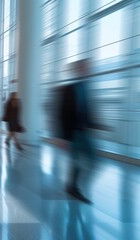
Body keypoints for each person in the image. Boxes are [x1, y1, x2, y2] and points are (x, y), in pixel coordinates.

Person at [58, 59, 102, 204]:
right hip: (73, 133)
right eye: (85, 68)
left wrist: (96, 125)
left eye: (89, 68)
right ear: (78, 70)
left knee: (94, 160)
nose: (88, 70)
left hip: (84, 131)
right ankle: (73, 187)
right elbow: (62, 113)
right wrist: (63, 137)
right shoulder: (69, 88)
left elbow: (86, 110)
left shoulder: (87, 87)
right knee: (76, 161)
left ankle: (73, 184)